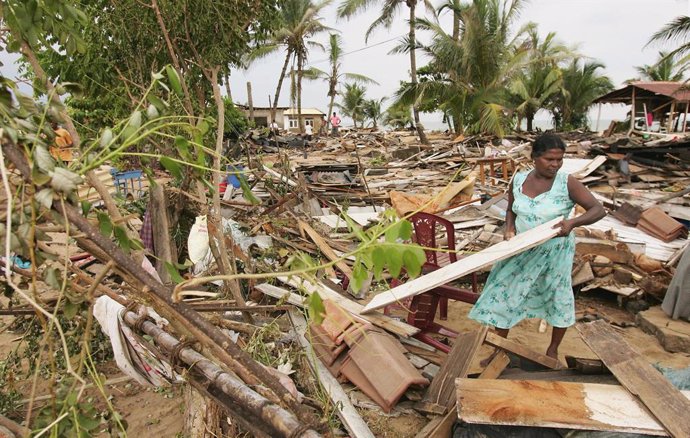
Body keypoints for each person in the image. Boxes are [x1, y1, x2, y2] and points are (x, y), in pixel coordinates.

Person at [468, 133, 606, 361]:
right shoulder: (519, 180)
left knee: (556, 297)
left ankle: (552, 351)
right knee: (505, 295)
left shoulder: (567, 182)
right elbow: (511, 209)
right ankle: (499, 350)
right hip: (522, 251)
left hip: (554, 253)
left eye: (559, 159)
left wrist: (572, 223)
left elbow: (597, 210)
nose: (555, 165)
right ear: (534, 157)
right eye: (549, 159)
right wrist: (509, 229)